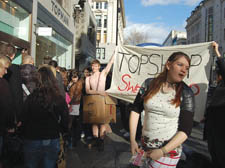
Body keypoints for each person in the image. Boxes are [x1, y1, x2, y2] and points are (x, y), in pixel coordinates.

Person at [129, 52, 195, 167]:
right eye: (180, 64)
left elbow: (185, 130)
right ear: (168, 65)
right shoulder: (149, 84)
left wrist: (162, 151)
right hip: (143, 147)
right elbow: (135, 110)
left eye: (187, 68)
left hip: (167, 152)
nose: (184, 70)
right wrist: (132, 140)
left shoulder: (187, 93)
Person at [21, 66, 69, 168]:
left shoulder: (31, 98)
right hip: (51, 136)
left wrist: (22, 133)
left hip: (32, 137)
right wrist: (62, 130)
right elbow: (65, 118)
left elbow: (24, 118)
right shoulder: (58, 98)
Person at [85, 52, 115, 151]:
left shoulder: (103, 74)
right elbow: (87, 90)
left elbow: (110, 63)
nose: (94, 67)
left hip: (102, 101)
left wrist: (115, 53)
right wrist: (99, 92)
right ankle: (97, 140)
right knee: (94, 123)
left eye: (96, 66)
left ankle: (101, 141)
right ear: (91, 66)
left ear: (98, 66)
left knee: (102, 123)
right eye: (93, 66)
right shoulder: (88, 78)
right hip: (93, 101)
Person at [204, 42, 225, 168]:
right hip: (214, 123)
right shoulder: (221, 85)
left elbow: (223, 66)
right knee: (214, 151)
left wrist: (217, 52)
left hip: (221, 124)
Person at [0, 43, 23, 124]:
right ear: (13, 55)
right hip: (6, 114)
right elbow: (16, 93)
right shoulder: (13, 69)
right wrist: (19, 116)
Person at [0, 55, 14, 160]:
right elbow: (7, 105)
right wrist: (10, 124)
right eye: (5, 69)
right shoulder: (3, 84)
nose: (5, 72)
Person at [68, 70, 83, 147]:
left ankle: (74, 140)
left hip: (75, 103)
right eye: (72, 77)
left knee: (73, 122)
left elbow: (76, 94)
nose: (73, 78)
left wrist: (69, 103)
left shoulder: (79, 83)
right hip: (72, 103)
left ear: (78, 77)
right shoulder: (72, 82)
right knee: (73, 122)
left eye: (75, 77)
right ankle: (73, 139)